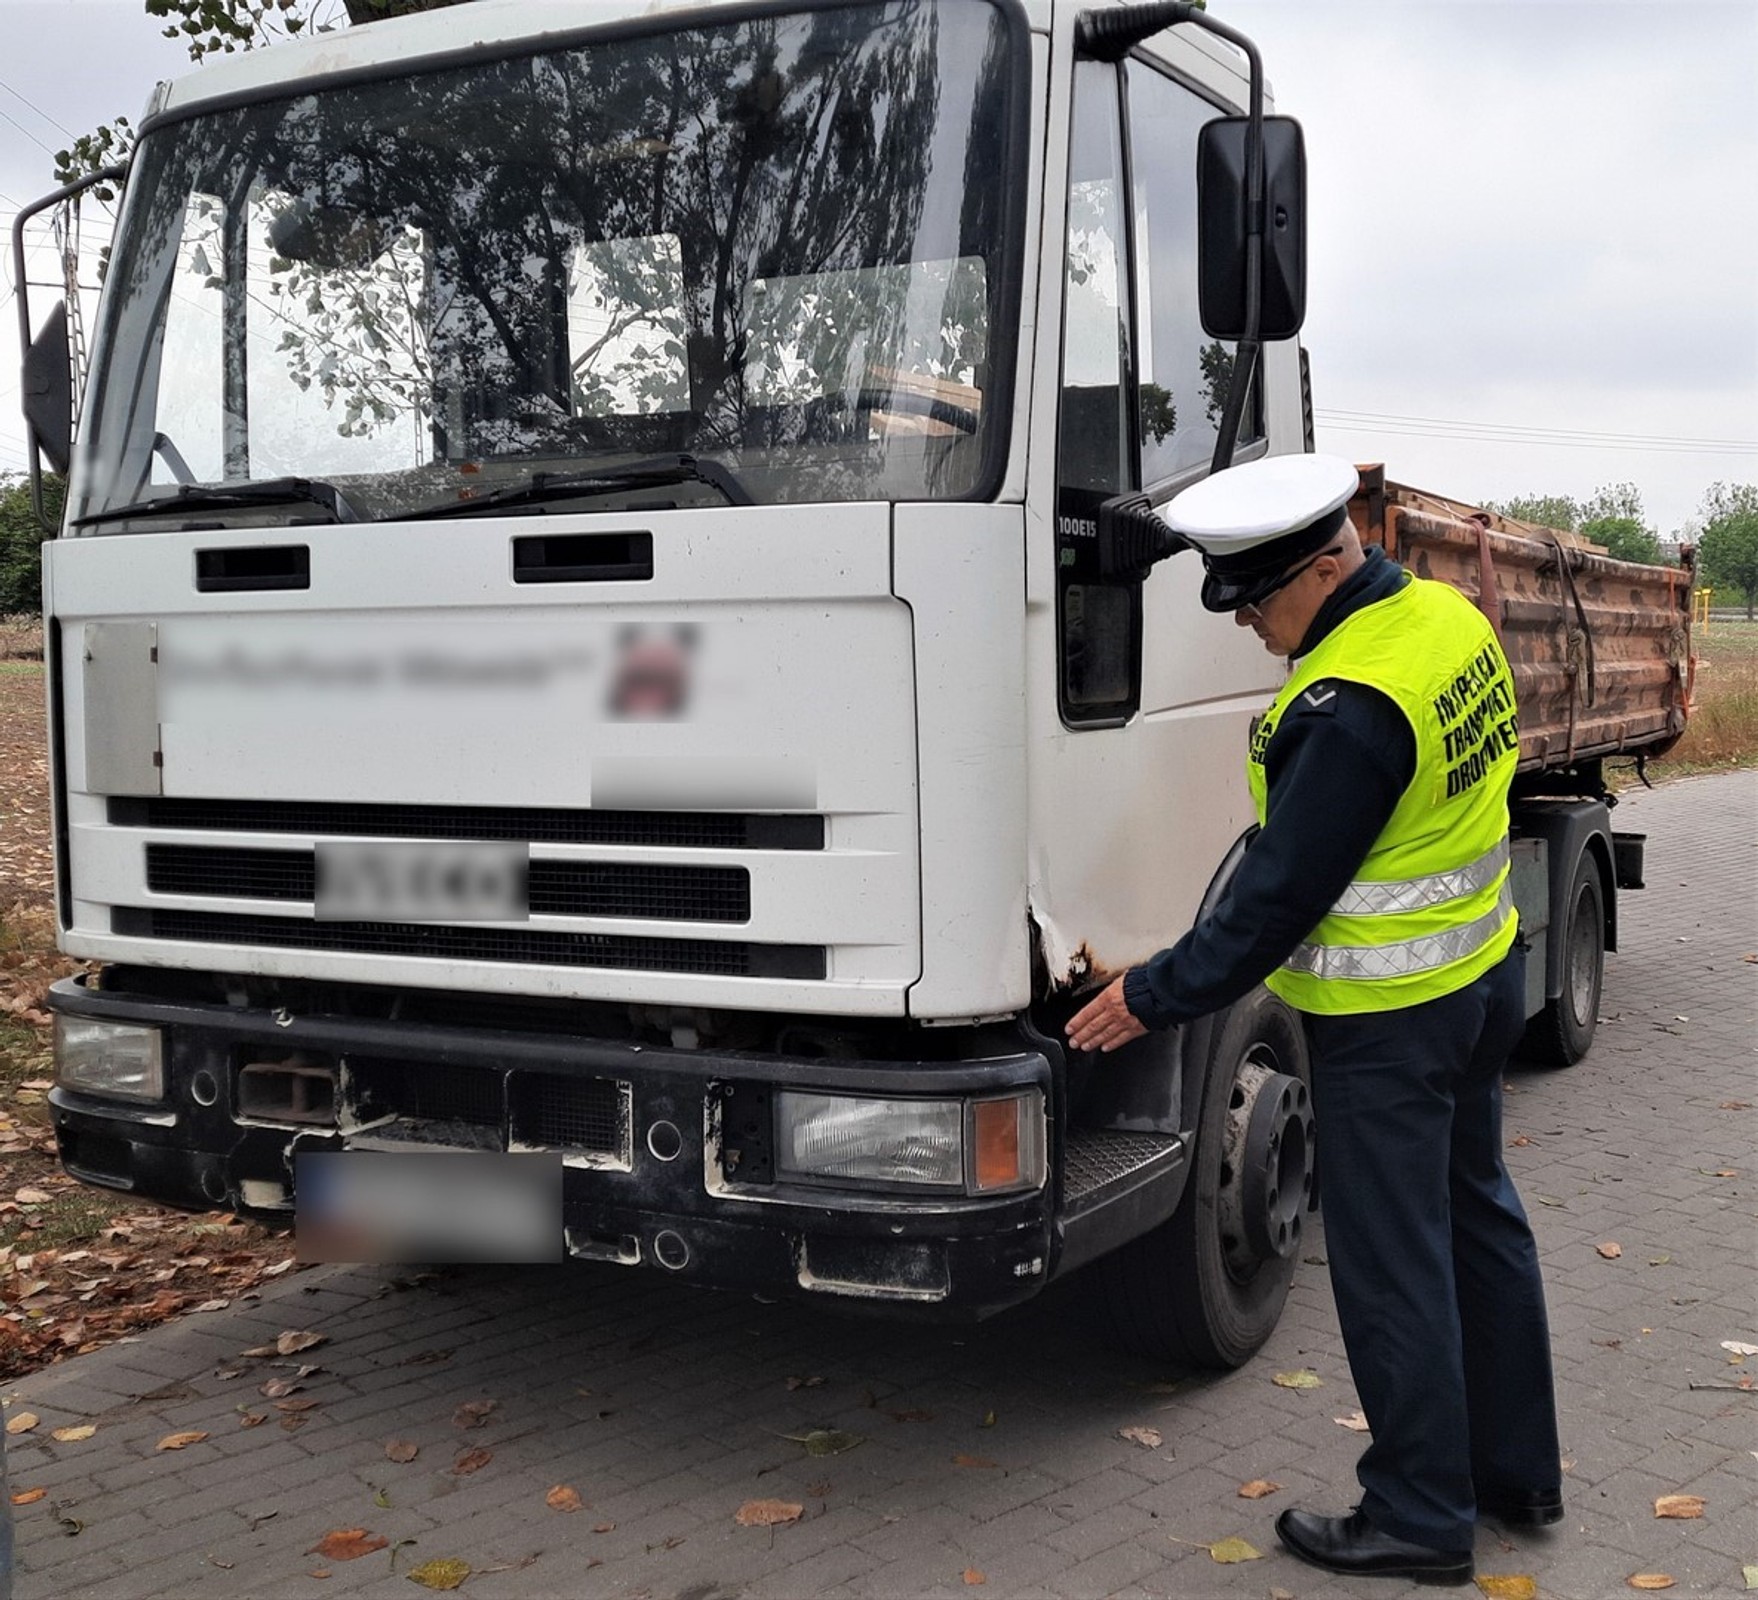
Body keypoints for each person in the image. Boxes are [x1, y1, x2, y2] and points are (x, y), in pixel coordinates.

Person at [1067, 453, 1562, 1587]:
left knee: (1393, 1263)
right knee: (1478, 1216)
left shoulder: (1346, 708)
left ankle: (1421, 1514)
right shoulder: (1444, 617)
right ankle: (1518, 1471)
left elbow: (1272, 903)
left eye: (1255, 600)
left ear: (1327, 563)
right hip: (1481, 973)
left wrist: (1145, 997)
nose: (1247, 625)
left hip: (1390, 1019)